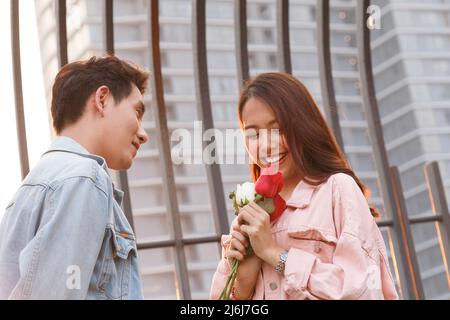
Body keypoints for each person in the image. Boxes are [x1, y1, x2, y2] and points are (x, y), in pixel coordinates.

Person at [210, 72, 399, 300]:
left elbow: (364, 291)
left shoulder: (337, 189)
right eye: (253, 133)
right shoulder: (249, 214)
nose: (266, 145)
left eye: (277, 129)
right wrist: (243, 282)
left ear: (302, 125)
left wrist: (273, 254)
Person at [0, 55, 149, 299]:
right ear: (102, 99)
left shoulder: (28, 190)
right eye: (138, 112)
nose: (143, 134)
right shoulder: (84, 178)